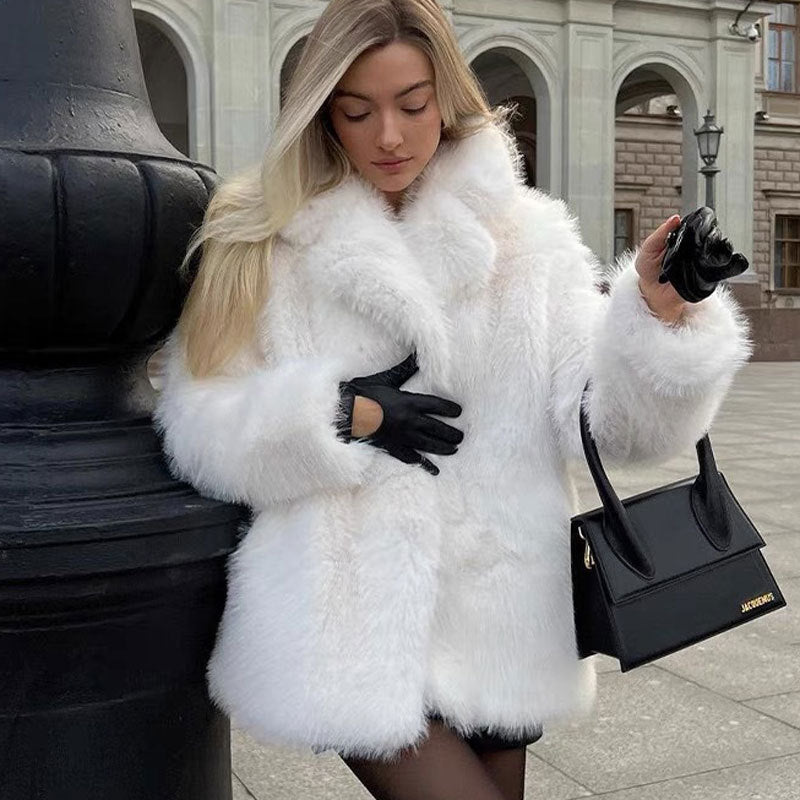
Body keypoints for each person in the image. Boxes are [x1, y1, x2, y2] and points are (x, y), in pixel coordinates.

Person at [151, 1, 753, 798]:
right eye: (357, 111)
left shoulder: (528, 238)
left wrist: (659, 313)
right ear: (322, 114)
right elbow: (199, 426)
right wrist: (336, 413)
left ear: (448, 98)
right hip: (353, 625)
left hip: (503, 605)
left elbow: (611, 428)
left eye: (412, 104)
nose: (390, 136)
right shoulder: (263, 238)